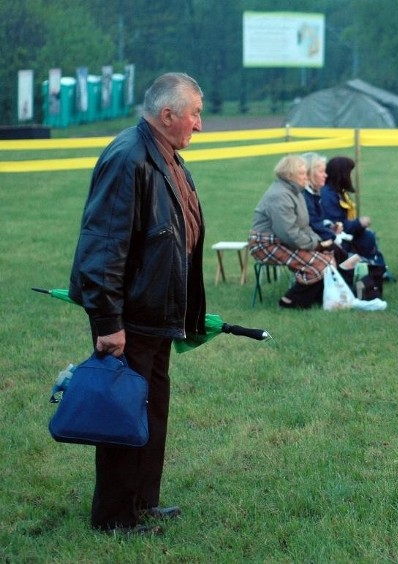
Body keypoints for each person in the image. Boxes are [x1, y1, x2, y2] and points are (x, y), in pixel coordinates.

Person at [68, 72, 206, 535]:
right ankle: (114, 517)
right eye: (195, 115)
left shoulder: (165, 155)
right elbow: (103, 246)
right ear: (167, 115)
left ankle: (142, 502)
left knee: (150, 410)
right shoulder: (130, 157)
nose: (200, 125)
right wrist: (108, 321)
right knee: (123, 413)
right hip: (129, 319)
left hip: (155, 315)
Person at [249, 154, 336, 308]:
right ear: (290, 176)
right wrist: (315, 245)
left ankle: (310, 299)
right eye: (302, 174)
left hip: (282, 240)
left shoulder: (296, 192)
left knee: (328, 258)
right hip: (266, 244)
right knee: (320, 264)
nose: (306, 177)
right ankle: (289, 301)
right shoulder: (280, 195)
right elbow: (288, 233)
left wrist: (318, 242)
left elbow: (304, 226)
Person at [320, 156, 385, 266]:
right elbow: (336, 227)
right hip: (336, 240)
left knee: (369, 235)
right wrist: (359, 223)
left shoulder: (338, 192)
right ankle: (367, 267)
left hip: (345, 234)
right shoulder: (328, 196)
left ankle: (374, 267)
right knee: (367, 237)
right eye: (349, 173)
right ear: (342, 174)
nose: (351, 176)